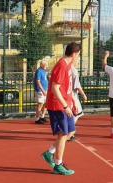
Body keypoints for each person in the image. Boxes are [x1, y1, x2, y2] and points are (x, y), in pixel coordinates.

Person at [41, 42, 82, 175]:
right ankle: (58, 164)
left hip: (66, 103)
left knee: (70, 132)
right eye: (78, 55)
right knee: (63, 134)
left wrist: (73, 102)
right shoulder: (61, 66)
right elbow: (55, 88)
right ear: (74, 54)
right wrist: (65, 105)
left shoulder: (69, 65)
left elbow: (68, 88)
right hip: (58, 105)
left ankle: (49, 153)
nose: (78, 58)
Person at [67, 65, 87, 141]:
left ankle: (69, 132)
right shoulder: (74, 70)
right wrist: (83, 94)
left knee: (72, 114)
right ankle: (70, 133)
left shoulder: (66, 68)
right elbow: (77, 85)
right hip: (73, 95)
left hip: (67, 94)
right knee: (76, 114)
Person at [33, 60, 48, 124]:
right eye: (45, 65)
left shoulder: (43, 71)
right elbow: (38, 81)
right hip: (40, 90)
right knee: (40, 104)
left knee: (46, 103)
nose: (46, 66)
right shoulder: (38, 71)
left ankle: (42, 116)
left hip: (45, 89)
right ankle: (37, 119)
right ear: (42, 65)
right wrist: (42, 90)